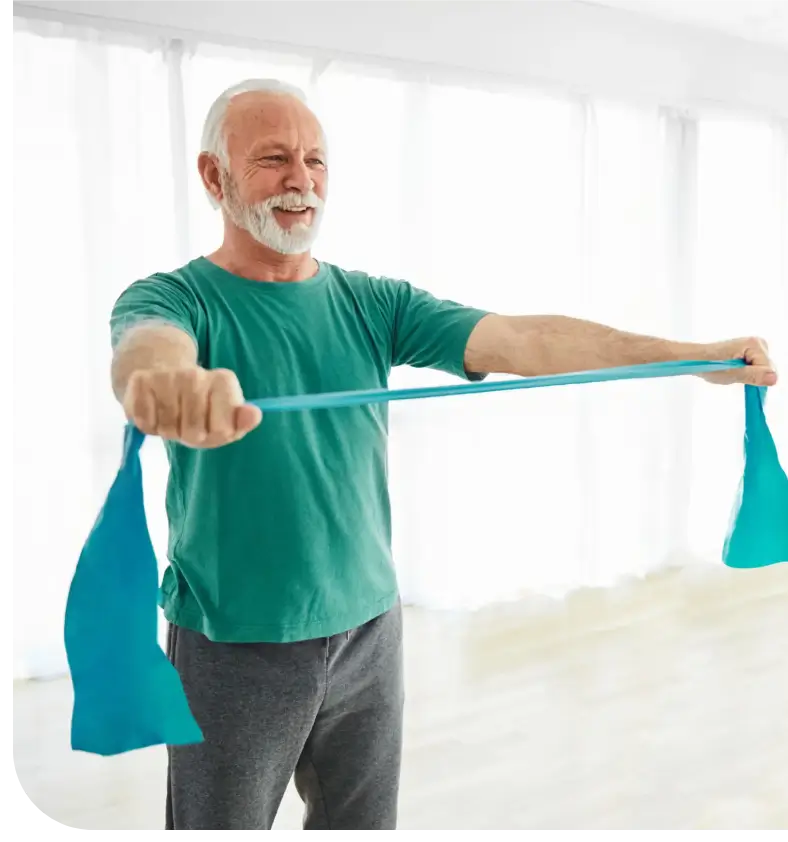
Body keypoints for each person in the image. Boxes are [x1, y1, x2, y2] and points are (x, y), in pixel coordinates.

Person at [109, 78, 776, 833]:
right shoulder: (175, 298)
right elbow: (145, 353)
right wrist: (171, 385)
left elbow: (529, 340)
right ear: (213, 176)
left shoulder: (372, 303)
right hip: (236, 645)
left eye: (316, 160)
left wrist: (692, 357)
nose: (301, 180)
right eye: (273, 159)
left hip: (369, 629)